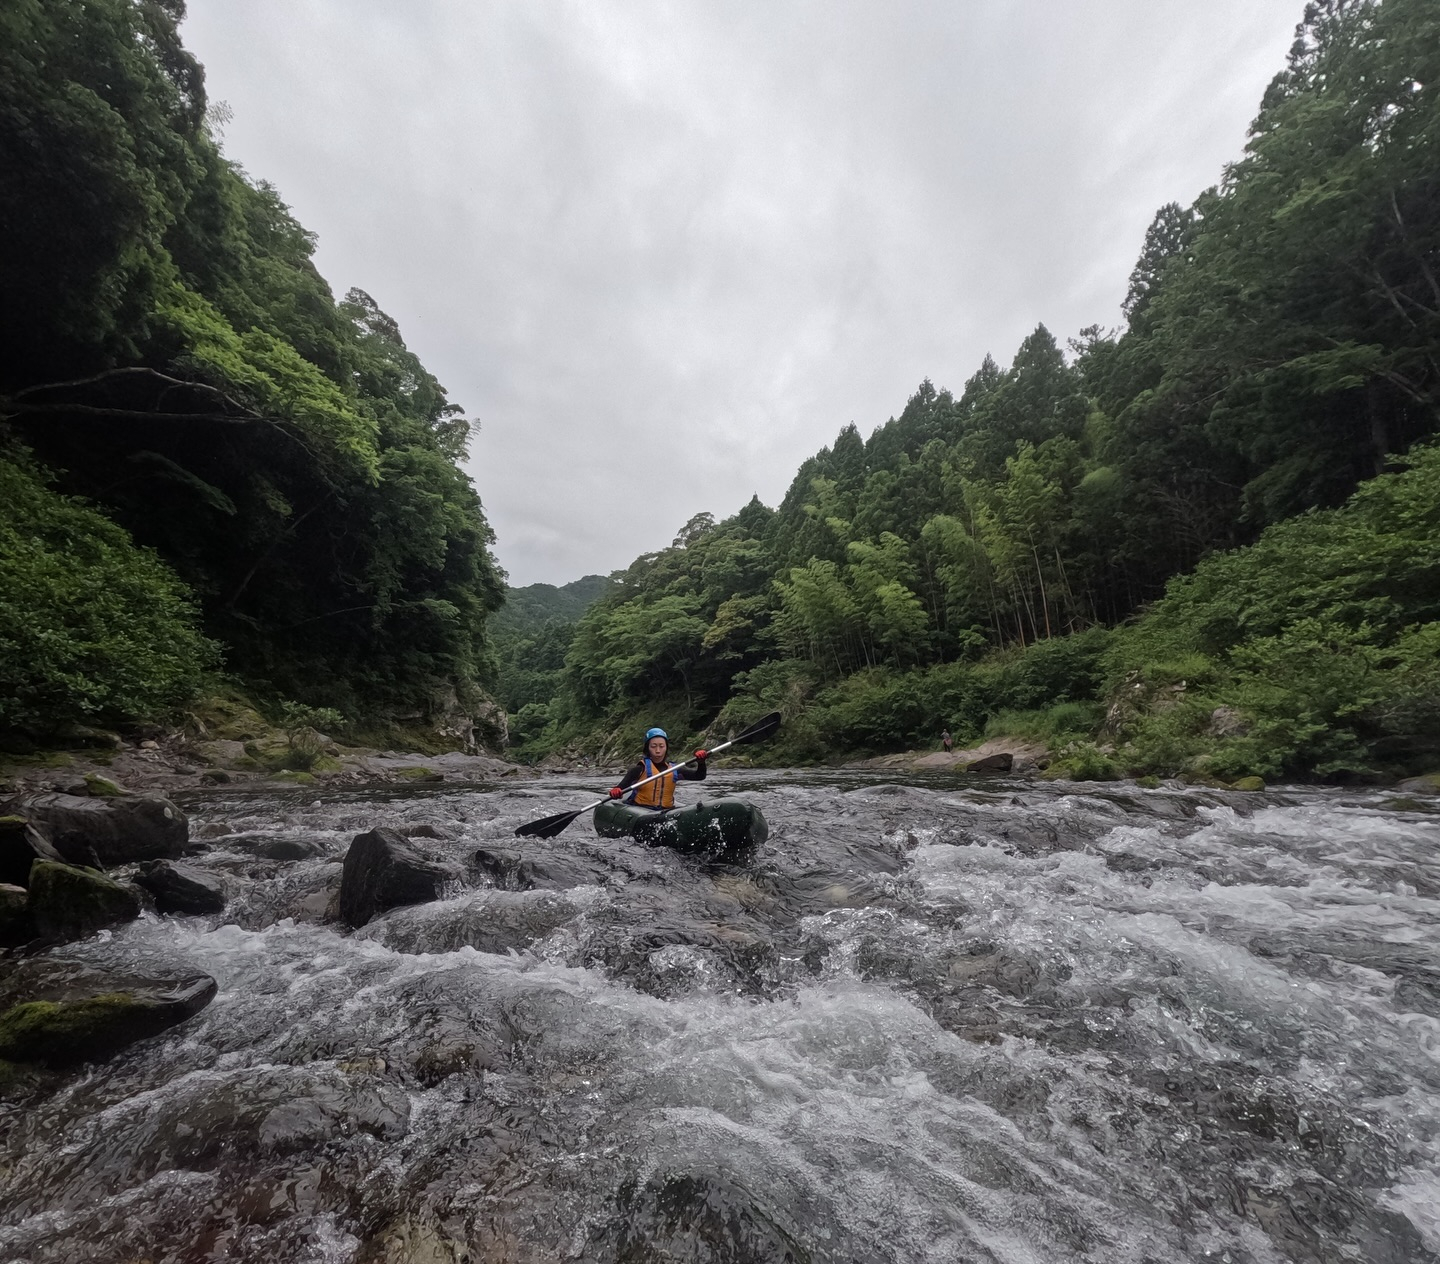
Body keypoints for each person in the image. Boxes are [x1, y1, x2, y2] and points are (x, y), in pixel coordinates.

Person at [609, 727, 707, 810]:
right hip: (641, 810)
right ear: (647, 748)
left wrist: (701, 762)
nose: (658, 751)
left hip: (666, 811)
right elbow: (620, 788)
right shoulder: (639, 769)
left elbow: (700, 776)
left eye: (661, 746)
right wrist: (616, 791)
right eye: (653, 746)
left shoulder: (675, 769)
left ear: (666, 748)